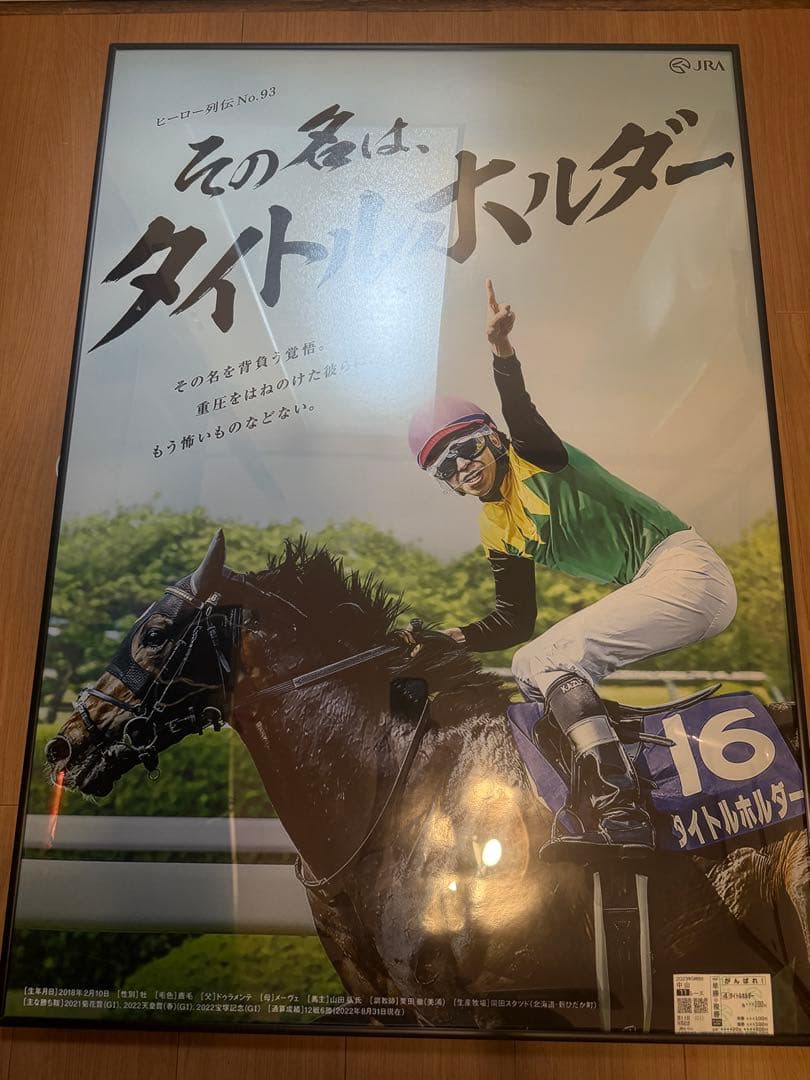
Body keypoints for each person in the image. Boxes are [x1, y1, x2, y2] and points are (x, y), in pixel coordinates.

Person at [407, 280, 738, 862]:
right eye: (445, 469)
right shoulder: (495, 526)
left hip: (686, 570)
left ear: (492, 438)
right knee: (528, 663)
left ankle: (621, 810)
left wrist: (502, 352)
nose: (462, 469)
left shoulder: (533, 454)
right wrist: (450, 638)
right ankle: (618, 784)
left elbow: (522, 413)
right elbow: (515, 619)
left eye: (465, 450)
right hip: (659, 584)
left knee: (546, 660)